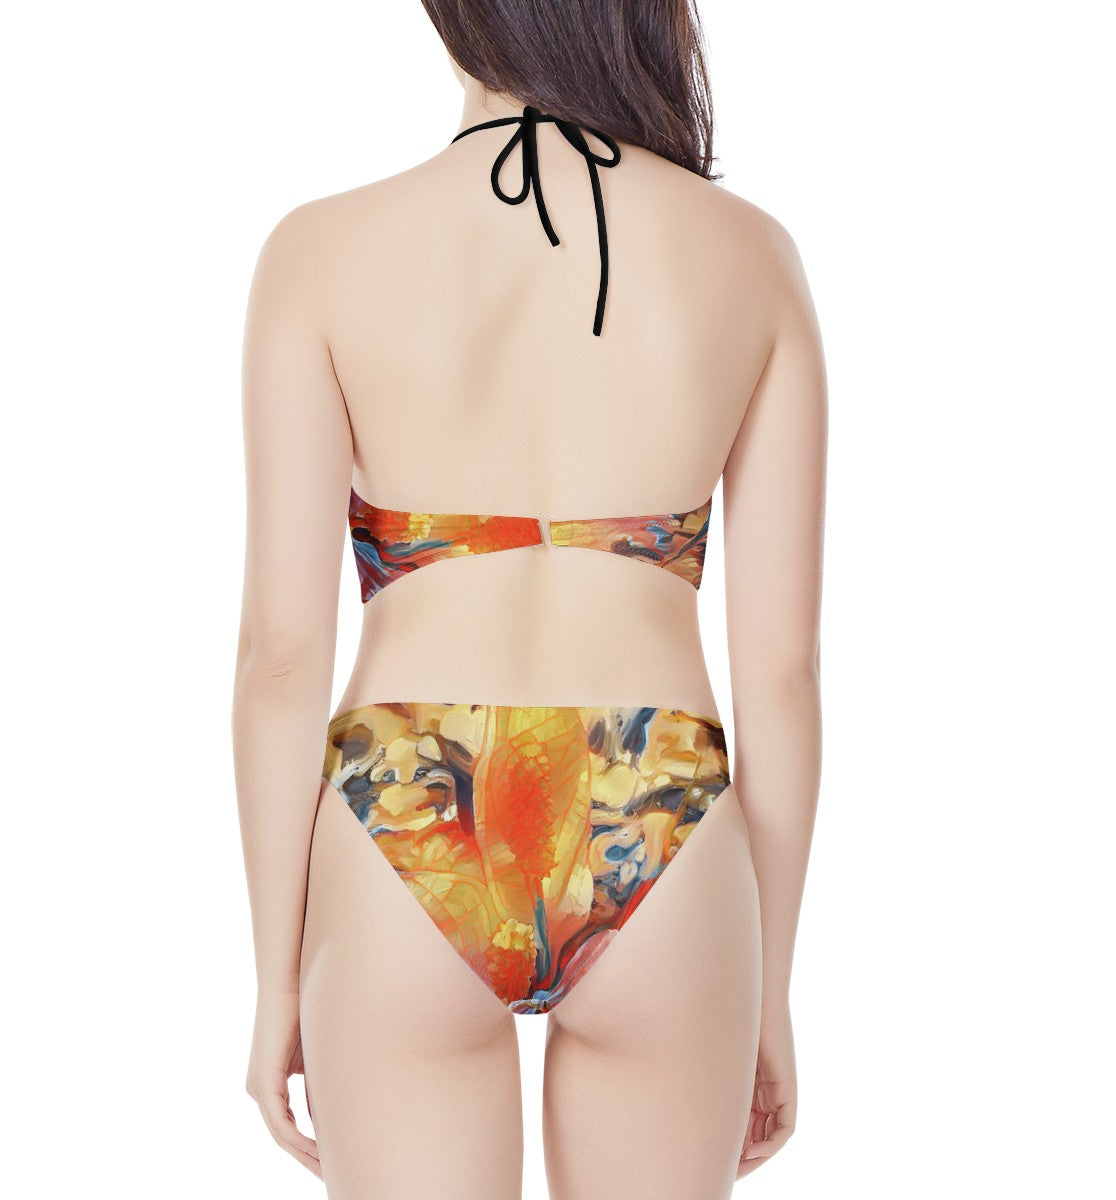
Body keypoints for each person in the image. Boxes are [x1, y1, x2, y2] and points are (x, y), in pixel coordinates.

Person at [232, 2, 826, 1196]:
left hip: (409, 800)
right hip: (656, 799)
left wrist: (277, 978)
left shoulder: (321, 250)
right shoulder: (752, 256)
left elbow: (282, 657)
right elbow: (783, 676)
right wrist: (769, 983)